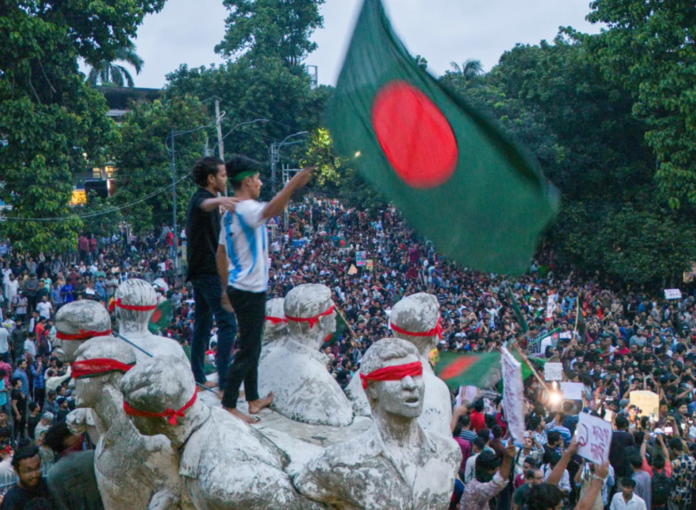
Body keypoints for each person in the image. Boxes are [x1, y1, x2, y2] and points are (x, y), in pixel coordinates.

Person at [217, 156, 313, 423]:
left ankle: (252, 398)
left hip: (240, 287)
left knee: (252, 343)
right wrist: (292, 184)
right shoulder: (246, 208)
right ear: (247, 181)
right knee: (249, 349)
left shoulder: (230, 213)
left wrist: (226, 287)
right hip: (250, 290)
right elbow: (271, 210)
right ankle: (229, 404)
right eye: (258, 179)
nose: (260, 183)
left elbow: (221, 252)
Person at [185, 157, 239, 391]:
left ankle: (198, 376)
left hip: (203, 271)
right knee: (228, 323)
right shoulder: (201, 198)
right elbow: (204, 205)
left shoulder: (209, 200)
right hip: (207, 272)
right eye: (223, 175)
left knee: (204, 323)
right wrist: (223, 200)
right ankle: (225, 382)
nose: (226, 179)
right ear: (211, 178)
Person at [459, 441, 516, 510]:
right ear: (489, 471)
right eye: (496, 471)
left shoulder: (477, 485)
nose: (498, 473)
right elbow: (498, 483)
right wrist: (507, 459)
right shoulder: (475, 488)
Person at [0, 445, 53, 509]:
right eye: (28, 471)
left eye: (37, 468)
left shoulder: (49, 486)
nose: (34, 474)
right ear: (16, 471)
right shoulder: (11, 500)